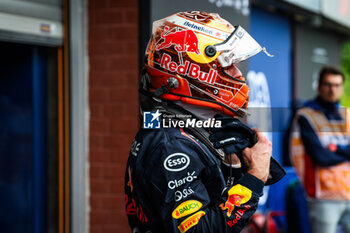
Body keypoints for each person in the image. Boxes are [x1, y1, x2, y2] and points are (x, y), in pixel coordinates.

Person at [125, 11, 285, 233]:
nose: (238, 74)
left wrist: (233, 164)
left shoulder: (181, 125)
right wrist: (255, 176)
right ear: (193, 69)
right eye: (228, 65)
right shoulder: (169, 143)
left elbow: (212, 199)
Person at [290, 65, 350, 233]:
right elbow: (321, 157)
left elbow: (327, 154)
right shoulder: (305, 116)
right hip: (322, 195)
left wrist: (335, 149)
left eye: (337, 85)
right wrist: (345, 151)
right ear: (319, 86)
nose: (333, 90)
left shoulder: (347, 114)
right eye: (328, 84)